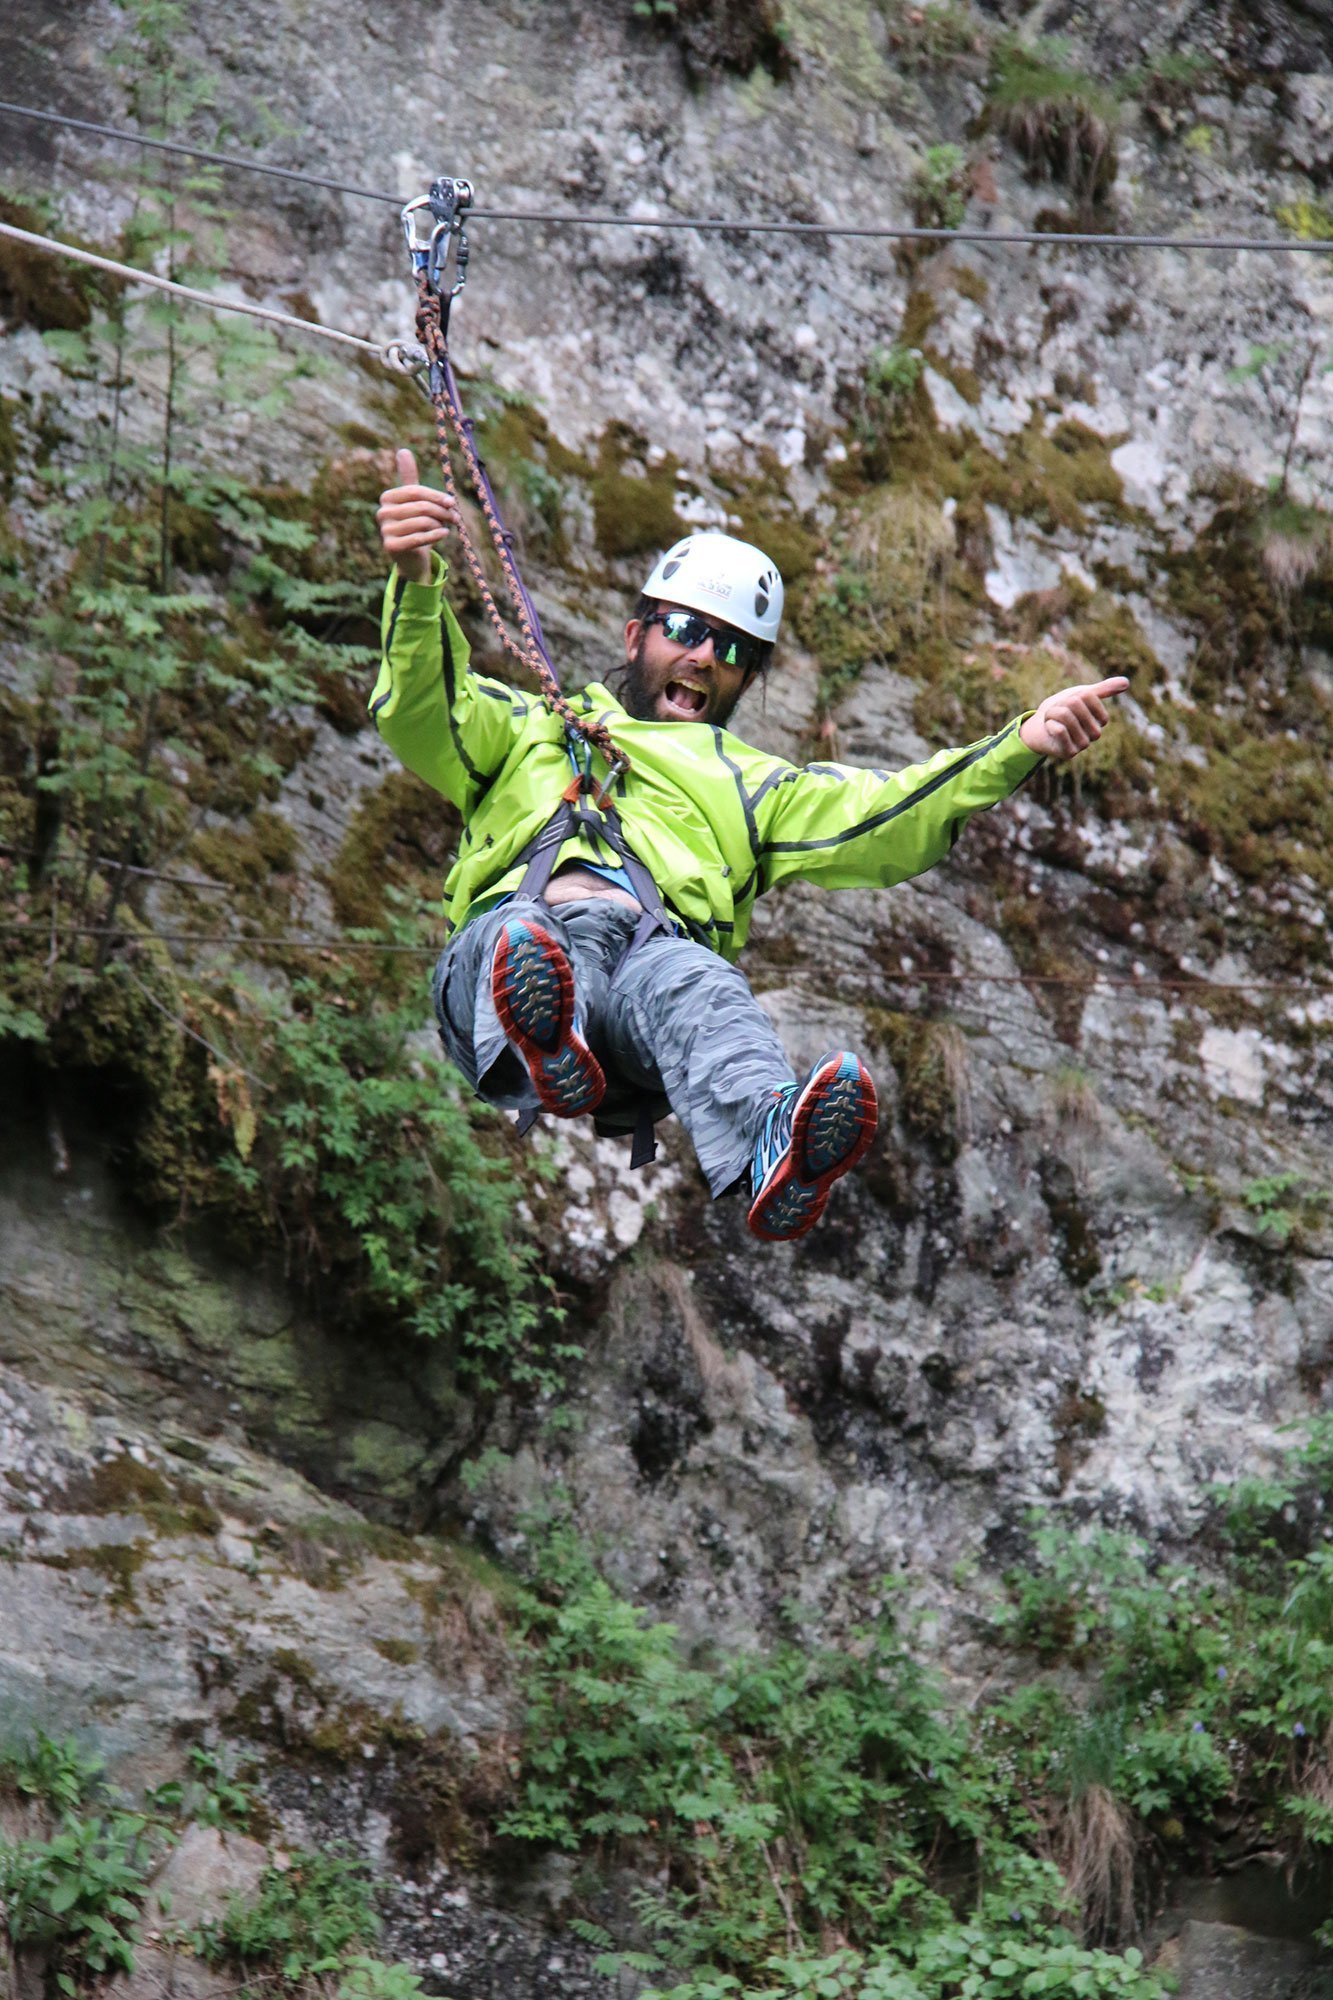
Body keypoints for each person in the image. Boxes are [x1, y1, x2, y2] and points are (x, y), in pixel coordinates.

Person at [372, 448, 1127, 1243]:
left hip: (643, 973)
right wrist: (417, 580)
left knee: (701, 983)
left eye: (731, 649)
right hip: (505, 952)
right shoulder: (527, 725)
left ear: (744, 681)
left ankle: (770, 1140)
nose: (704, 656)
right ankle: (543, 1039)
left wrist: (1018, 744)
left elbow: (886, 815)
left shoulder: (752, 785)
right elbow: (423, 706)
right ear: (636, 635)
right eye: (687, 630)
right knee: (517, 941)